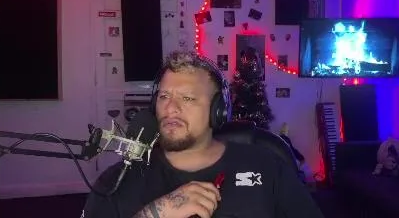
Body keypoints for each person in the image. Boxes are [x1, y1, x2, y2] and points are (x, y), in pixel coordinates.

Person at [81, 50, 325, 218]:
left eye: (187, 98)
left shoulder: (266, 166)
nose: (170, 108)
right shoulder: (117, 182)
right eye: (164, 96)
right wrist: (156, 212)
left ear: (218, 111)